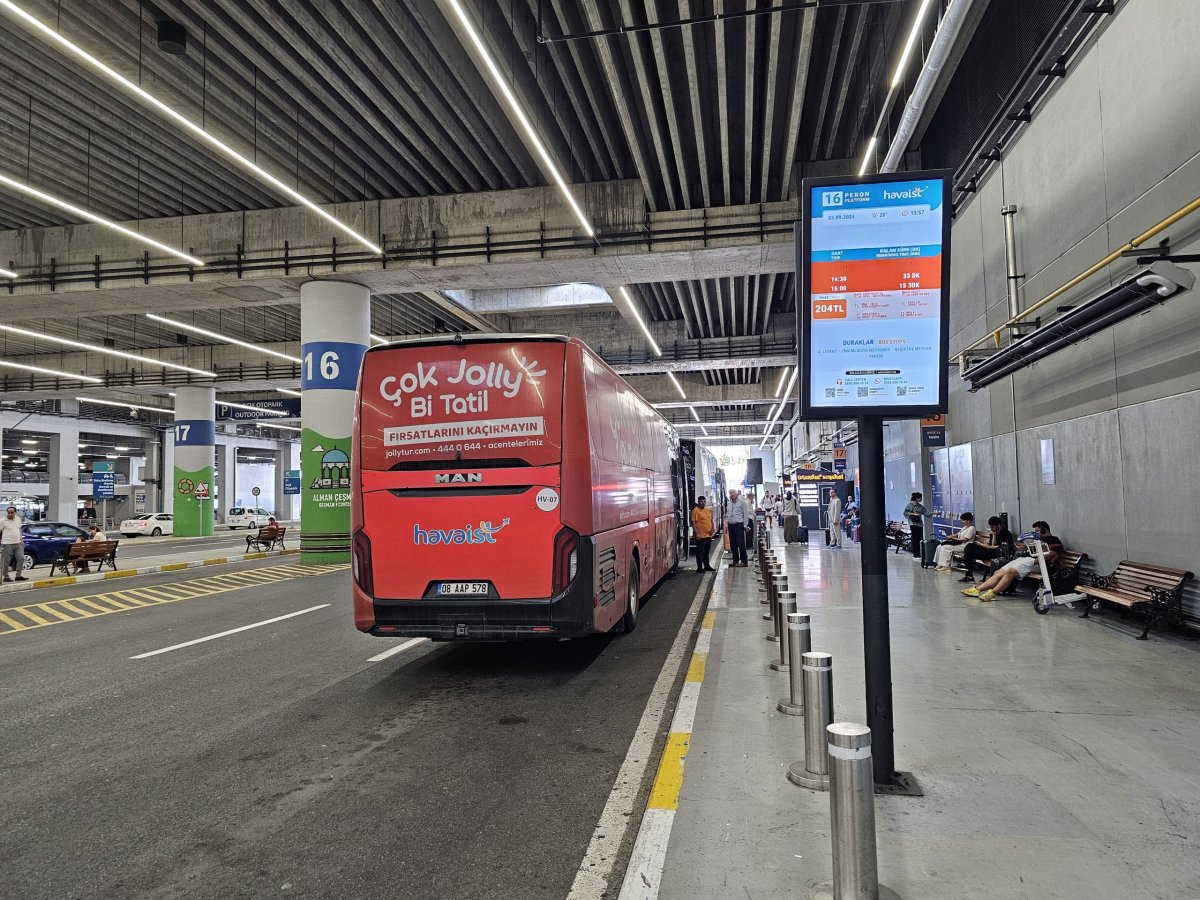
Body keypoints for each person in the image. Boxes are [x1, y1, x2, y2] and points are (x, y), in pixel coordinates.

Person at [962, 521, 1063, 602]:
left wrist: (1031, 561)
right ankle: (977, 589)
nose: (1036, 533)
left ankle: (992, 593)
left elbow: (1045, 557)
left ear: (1044, 530)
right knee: (998, 572)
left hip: (1036, 563)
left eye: (1037, 531)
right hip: (1025, 559)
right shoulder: (1040, 540)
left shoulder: (1054, 542)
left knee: (1010, 572)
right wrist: (1024, 549)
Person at [958, 516, 1015, 583]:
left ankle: (969, 574)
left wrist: (984, 546)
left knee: (970, 554)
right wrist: (993, 536)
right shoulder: (995, 532)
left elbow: (1000, 547)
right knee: (970, 546)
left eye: (993, 527)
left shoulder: (1005, 533)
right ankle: (968, 571)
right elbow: (992, 544)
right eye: (991, 527)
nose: (992, 529)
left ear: (998, 525)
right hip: (991, 550)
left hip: (997, 553)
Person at [2, 505, 29, 582]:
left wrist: (21, 540)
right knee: (6, 561)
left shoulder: (18, 519)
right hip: (7, 544)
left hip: (18, 543)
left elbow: (19, 529)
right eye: (9, 512)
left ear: (15, 513)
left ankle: (18, 575)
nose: (10, 514)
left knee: (21, 558)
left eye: (12, 512)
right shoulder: (2, 521)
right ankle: (6, 576)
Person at [690, 497, 716, 573]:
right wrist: (696, 533)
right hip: (700, 535)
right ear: (698, 502)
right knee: (700, 552)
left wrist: (712, 529)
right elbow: (693, 522)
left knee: (706, 551)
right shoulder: (695, 510)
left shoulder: (707, 511)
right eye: (701, 501)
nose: (703, 503)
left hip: (708, 534)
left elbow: (711, 520)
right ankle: (699, 567)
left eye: (704, 501)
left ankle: (707, 566)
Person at [903, 492, 931, 559]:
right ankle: (915, 554)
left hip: (919, 524)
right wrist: (914, 514)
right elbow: (905, 513)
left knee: (920, 538)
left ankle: (920, 553)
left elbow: (926, 512)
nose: (921, 499)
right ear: (917, 498)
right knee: (915, 539)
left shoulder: (920, 506)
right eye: (920, 498)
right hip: (913, 524)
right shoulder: (910, 505)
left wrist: (934, 513)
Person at [726, 488, 749, 567]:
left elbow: (745, 514)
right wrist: (726, 524)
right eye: (730, 493)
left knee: (740, 543)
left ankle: (744, 561)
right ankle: (735, 560)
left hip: (739, 525)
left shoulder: (742, 503)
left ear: (737, 494)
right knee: (732, 544)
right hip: (731, 525)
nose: (732, 494)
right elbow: (728, 514)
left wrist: (745, 525)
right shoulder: (729, 503)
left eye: (733, 493)